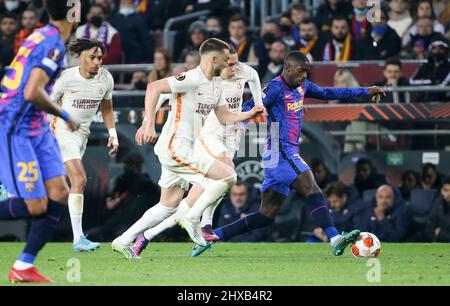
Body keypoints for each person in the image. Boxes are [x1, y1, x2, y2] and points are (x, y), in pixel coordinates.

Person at [191, 51, 386, 257]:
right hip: (281, 152)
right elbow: (251, 106)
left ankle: (212, 237)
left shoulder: (303, 86)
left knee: (266, 215)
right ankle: (335, 238)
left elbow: (330, 93)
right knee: (311, 187)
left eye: (307, 72)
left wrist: (366, 90)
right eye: (301, 71)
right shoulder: (274, 88)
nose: (305, 76)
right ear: (288, 68)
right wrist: (238, 126)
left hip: (280, 156)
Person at [111, 38, 264, 258]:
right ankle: (194, 218)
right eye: (226, 61)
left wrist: (248, 114)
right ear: (213, 58)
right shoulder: (192, 78)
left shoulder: (216, 83)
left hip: (184, 149)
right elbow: (154, 87)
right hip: (176, 146)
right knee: (227, 176)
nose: (230, 66)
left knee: (168, 205)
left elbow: (223, 116)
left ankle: (123, 240)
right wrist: (148, 122)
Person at [0, 0, 79, 283]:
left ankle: (23, 267)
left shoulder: (43, 35)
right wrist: (64, 113)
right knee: (35, 207)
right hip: (14, 126)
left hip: (35, 125)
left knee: (59, 193)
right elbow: (33, 92)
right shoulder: (52, 43)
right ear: (74, 11)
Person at [49, 38, 118, 252]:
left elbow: (107, 108)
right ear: (81, 57)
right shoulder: (66, 78)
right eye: (92, 57)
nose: (97, 62)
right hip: (61, 131)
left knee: (61, 185)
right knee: (80, 180)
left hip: (82, 135)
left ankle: (12, 187)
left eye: (100, 58)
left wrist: (113, 134)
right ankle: (78, 238)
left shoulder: (106, 78)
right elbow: (46, 102)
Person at [86, 152, 160, 242]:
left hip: (134, 224)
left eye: (131, 164)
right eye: (127, 164)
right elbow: (109, 204)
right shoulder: (122, 182)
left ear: (138, 165)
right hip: (117, 224)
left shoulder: (146, 185)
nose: (128, 167)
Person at [409, 37, 450, 102]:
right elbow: (412, 81)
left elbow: (442, 85)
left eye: (441, 48)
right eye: (434, 48)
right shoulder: (425, 65)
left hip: (443, 102)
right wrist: (431, 81)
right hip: (423, 101)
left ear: (446, 50)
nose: (437, 51)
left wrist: (424, 82)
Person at [426, 176, 450, 242]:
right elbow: (430, 226)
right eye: (446, 190)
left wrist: (440, 233)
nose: (449, 194)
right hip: (437, 244)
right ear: (441, 190)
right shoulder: (438, 203)